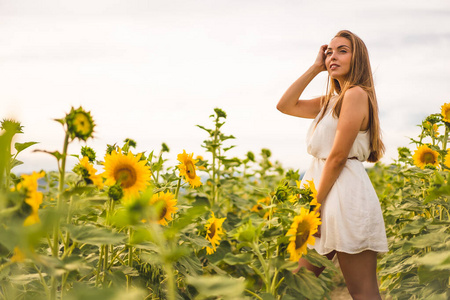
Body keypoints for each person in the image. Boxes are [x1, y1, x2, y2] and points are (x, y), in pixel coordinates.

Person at [276, 30, 388, 300]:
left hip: (343, 194)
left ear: (357, 59)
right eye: (329, 52)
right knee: (297, 285)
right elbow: (284, 105)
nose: (332, 56)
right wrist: (315, 67)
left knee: (362, 292)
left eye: (342, 50)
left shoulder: (357, 94)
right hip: (322, 191)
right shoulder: (330, 102)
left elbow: (338, 157)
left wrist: (313, 204)